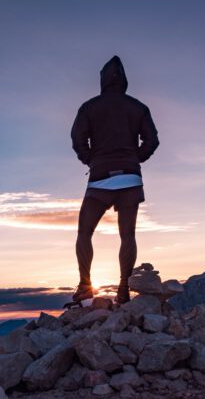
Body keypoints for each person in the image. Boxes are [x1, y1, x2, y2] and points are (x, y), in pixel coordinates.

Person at [70, 55, 159, 304]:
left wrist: (92, 160)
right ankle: (123, 290)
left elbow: (78, 140)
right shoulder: (138, 107)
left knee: (85, 232)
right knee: (127, 235)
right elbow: (152, 141)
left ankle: (85, 286)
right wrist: (134, 159)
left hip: (100, 178)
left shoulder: (89, 107)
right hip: (130, 177)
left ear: (102, 80)